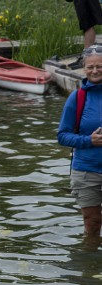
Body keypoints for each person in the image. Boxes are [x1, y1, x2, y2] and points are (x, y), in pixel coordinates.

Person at [57, 46, 102, 248]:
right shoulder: (77, 97)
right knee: (92, 224)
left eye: (100, 66)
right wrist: (88, 141)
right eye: (90, 67)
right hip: (86, 170)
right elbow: (63, 136)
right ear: (83, 68)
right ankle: (90, 267)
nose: (95, 71)